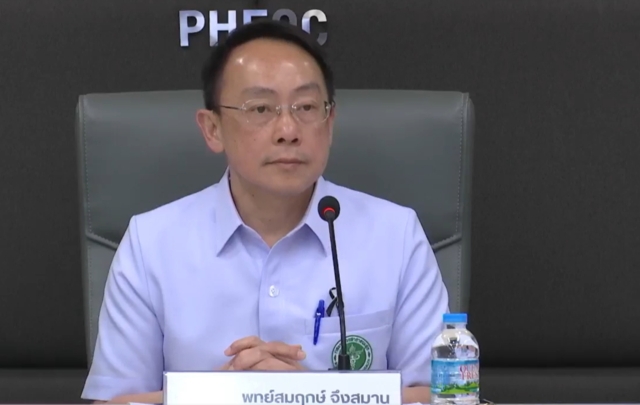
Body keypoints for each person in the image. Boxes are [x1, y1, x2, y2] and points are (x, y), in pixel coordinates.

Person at [81, 19, 449, 405]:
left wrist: (312, 395)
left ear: (330, 123)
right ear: (212, 129)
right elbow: (113, 402)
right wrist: (220, 395)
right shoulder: (151, 244)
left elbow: (444, 397)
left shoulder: (395, 235)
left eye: (306, 107)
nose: (288, 129)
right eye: (260, 108)